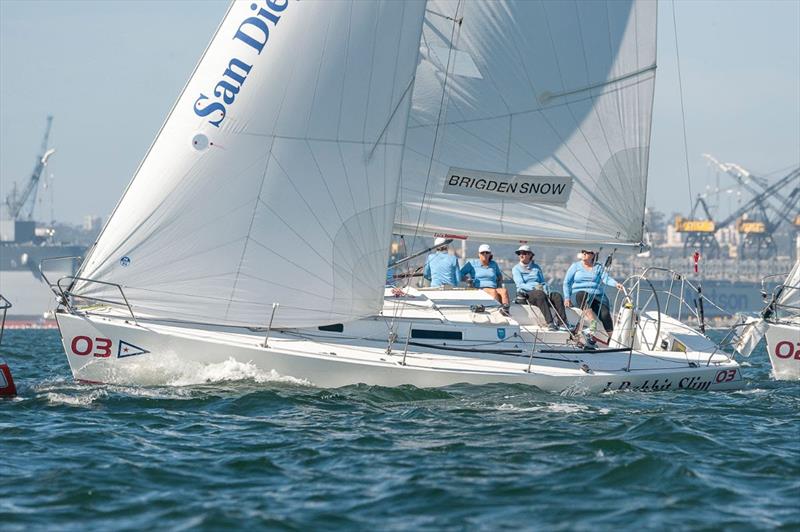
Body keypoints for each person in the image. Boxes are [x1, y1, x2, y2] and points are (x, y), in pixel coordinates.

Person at [563, 249, 624, 337]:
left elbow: (606, 278)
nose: (584, 253)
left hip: (596, 295)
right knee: (582, 295)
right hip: (578, 295)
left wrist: (616, 284)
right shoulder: (575, 266)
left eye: (587, 252)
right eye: (583, 252)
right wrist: (567, 298)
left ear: (593, 255)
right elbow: (567, 283)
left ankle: (612, 338)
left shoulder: (598, 267)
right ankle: (592, 323)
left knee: (605, 314)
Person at [511, 245, 567, 331]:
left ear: (530, 255)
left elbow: (542, 282)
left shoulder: (536, 267)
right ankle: (550, 323)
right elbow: (520, 284)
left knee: (557, 296)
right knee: (539, 294)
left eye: (524, 253)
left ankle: (562, 323)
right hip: (527, 294)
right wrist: (535, 287)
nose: (521, 255)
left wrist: (545, 289)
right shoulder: (516, 269)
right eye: (519, 253)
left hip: (540, 290)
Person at [461, 244, 510, 316]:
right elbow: (460, 273)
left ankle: (506, 311)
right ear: (479, 254)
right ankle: (496, 313)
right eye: (482, 253)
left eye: (487, 252)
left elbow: (499, 275)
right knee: (493, 291)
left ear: (490, 254)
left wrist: (499, 283)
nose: (485, 254)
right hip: (479, 288)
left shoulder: (493, 264)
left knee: (504, 291)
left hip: (494, 287)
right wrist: (467, 279)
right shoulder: (472, 263)